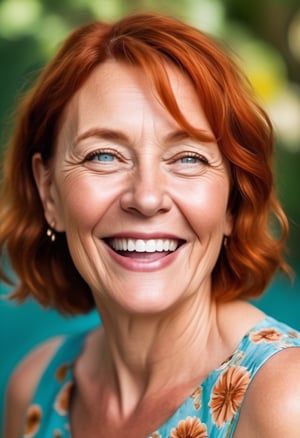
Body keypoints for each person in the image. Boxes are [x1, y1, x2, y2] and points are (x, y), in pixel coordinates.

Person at [1, 11, 300, 438]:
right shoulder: (34, 389)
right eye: (103, 155)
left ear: (233, 201)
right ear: (49, 193)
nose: (146, 197)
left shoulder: (286, 400)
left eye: (188, 158)